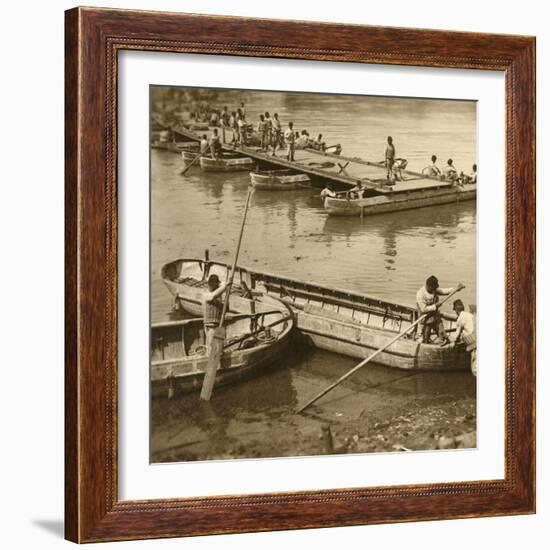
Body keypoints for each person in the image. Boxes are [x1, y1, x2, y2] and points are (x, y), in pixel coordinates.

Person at [416, 276, 462, 345]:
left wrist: (456, 289)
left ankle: (442, 340)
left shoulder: (434, 290)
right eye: (434, 288)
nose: (436, 289)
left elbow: (444, 291)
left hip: (435, 316)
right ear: (429, 286)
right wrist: (435, 306)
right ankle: (425, 342)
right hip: (425, 318)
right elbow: (423, 309)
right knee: (425, 336)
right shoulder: (420, 294)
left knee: (442, 333)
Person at [201, 274, 229, 354]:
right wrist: (225, 286)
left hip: (219, 326)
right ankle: (212, 363)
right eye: (210, 284)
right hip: (211, 328)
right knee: (212, 351)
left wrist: (227, 292)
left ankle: (219, 362)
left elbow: (226, 309)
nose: (210, 286)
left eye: (213, 285)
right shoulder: (205, 294)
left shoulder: (218, 297)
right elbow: (213, 296)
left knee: (219, 351)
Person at [452, 299, 477, 376]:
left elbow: (457, 333)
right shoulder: (469, 315)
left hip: (474, 343)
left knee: (475, 367)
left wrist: (453, 341)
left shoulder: (460, 318)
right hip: (476, 337)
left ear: (456, 310)